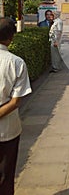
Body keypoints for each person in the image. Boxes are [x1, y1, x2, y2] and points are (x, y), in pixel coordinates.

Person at [0, 17, 32, 194]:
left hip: (8, 131)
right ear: (11, 37)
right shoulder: (16, 62)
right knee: (5, 177)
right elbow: (15, 101)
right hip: (7, 131)